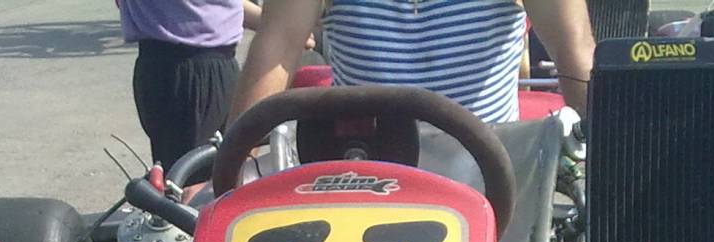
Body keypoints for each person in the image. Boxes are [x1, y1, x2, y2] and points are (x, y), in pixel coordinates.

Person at [231, 0, 594, 125]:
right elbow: (277, 46)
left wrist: (615, 170)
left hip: (489, 183)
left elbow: (575, 54)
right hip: (358, 178)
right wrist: (231, 174)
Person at [118, 0, 264, 171]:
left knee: (224, 171)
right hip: (185, 67)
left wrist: (279, 27)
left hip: (206, 64)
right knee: (194, 175)